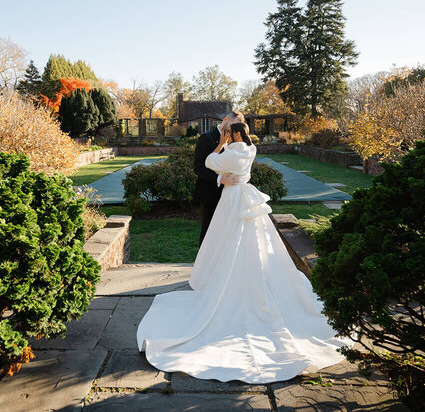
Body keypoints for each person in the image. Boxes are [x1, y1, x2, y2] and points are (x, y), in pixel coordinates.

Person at [136, 121, 352, 384]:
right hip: (246, 195)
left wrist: (222, 142)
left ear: (234, 133)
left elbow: (208, 162)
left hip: (232, 199)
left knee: (228, 239)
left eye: (230, 131)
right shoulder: (251, 150)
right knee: (256, 239)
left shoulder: (230, 152)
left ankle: (230, 281)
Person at [192, 111, 246, 246]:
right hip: (210, 194)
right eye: (233, 125)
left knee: (228, 233)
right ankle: (204, 266)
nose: (234, 130)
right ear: (225, 120)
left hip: (232, 195)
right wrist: (220, 178)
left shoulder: (237, 139)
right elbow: (198, 168)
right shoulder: (206, 138)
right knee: (209, 232)